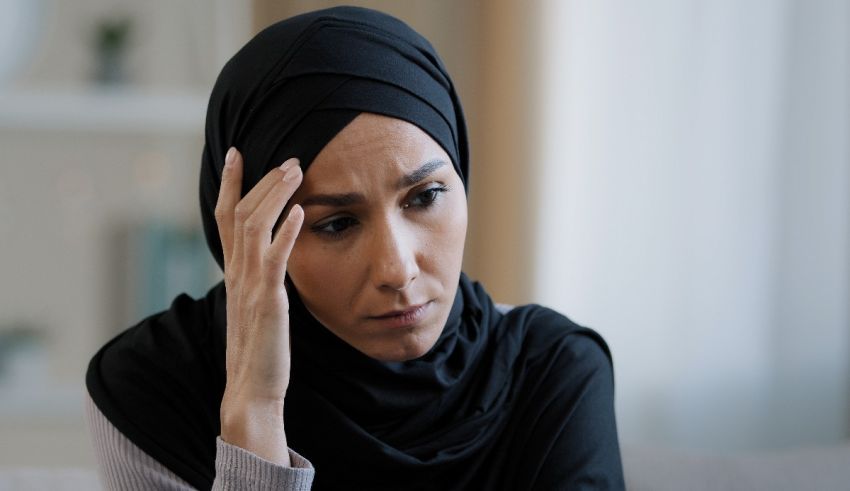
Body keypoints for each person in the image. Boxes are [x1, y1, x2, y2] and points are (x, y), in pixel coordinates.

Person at [85, 6, 624, 490]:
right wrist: (255, 414)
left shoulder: (551, 371)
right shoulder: (151, 391)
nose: (396, 269)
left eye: (426, 196)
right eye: (337, 223)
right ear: (247, 233)